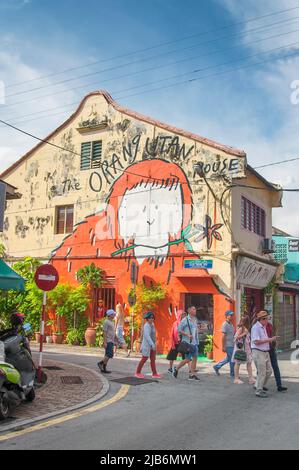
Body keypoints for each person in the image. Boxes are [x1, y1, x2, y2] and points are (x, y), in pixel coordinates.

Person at [251, 311, 277, 398]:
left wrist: (271, 339)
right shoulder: (256, 328)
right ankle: (259, 390)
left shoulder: (263, 326)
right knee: (262, 372)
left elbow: (263, 338)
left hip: (265, 351)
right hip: (258, 352)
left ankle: (259, 385)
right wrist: (270, 340)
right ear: (262, 319)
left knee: (269, 371)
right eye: (267, 319)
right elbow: (256, 341)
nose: (268, 320)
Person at [172, 306, 200, 381]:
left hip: (195, 342)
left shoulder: (195, 319)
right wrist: (187, 335)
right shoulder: (185, 320)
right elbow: (179, 330)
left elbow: (195, 330)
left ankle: (192, 375)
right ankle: (176, 368)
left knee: (195, 358)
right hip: (188, 343)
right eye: (193, 309)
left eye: (195, 309)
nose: (195, 310)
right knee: (187, 359)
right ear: (189, 310)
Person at [135, 312, 162, 379]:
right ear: (147, 319)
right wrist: (152, 344)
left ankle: (154, 373)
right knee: (144, 358)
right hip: (147, 345)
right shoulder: (146, 326)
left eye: (152, 318)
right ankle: (137, 372)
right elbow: (147, 336)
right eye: (150, 318)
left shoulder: (152, 324)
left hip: (152, 345)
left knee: (153, 359)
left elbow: (153, 336)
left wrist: (154, 343)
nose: (151, 319)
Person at [232, 315, 255, 385]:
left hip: (246, 349)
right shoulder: (241, 329)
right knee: (238, 362)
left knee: (249, 362)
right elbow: (235, 338)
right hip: (241, 349)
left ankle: (251, 378)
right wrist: (244, 334)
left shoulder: (244, 328)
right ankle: (236, 379)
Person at [266, 320, 288, 392]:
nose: (267, 318)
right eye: (265, 317)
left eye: (267, 317)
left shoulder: (270, 325)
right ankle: (259, 385)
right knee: (262, 368)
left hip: (271, 349)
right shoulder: (258, 327)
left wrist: (275, 341)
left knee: (275, 367)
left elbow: (273, 335)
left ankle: (279, 386)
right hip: (263, 350)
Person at [213, 310, 235, 378]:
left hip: (232, 344)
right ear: (227, 316)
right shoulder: (224, 324)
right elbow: (223, 336)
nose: (232, 316)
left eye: (232, 315)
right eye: (230, 315)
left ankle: (217, 367)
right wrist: (223, 346)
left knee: (228, 359)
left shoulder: (231, 324)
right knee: (232, 360)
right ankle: (232, 374)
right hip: (228, 344)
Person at [98, 309, 117, 374]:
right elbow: (104, 332)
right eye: (113, 314)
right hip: (108, 340)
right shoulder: (106, 322)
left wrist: (115, 339)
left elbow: (112, 332)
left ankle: (104, 368)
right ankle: (100, 363)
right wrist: (105, 342)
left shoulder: (112, 322)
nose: (114, 315)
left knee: (107, 354)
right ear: (109, 315)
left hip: (111, 340)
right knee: (109, 354)